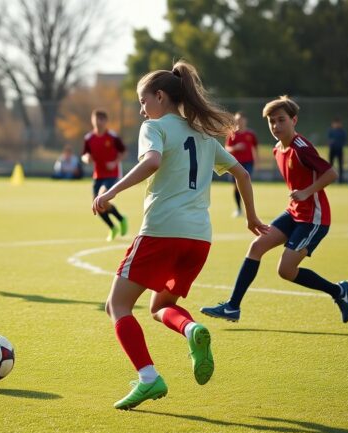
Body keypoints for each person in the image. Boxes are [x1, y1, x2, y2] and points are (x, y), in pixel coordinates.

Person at [92, 61, 267, 410]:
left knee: (118, 305)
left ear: (160, 96)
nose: (142, 109)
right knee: (160, 306)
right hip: (198, 239)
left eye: (144, 101)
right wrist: (251, 217)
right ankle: (191, 331)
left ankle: (148, 378)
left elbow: (153, 161)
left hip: (161, 231)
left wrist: (112, 191)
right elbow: (242, 175)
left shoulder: (153, 127)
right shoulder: (203, 134)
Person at [201, 96, 348, 324]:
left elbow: (331, 173)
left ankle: (338, 291)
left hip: (314, 219)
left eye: (281, 120)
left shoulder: (301, 147)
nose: (276, 126)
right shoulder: (277, 150)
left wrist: (306, 192)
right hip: (294, 213)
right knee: (256, 246)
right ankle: (232, 307)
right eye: (272, 121)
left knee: (286, 270)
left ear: (294, 120)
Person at [82, 110, 128, 241]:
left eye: (102, 119)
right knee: (97, 205)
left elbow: (123, 152)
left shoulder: (113, 137)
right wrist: (87, 159)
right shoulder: (89, 138)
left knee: (101, 198)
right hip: (98, 176)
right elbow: (85, 155)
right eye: (97, 119)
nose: (99, 122)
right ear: (92, 120)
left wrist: (115, 163)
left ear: (106, 121)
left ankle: (120, 220)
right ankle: (115, 225)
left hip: (112, 175)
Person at [225, 112, 258, 216]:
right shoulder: (232, 134)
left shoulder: (251, 134)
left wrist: (257, 161)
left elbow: (255, 148)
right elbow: (226, 149)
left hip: (249, 162)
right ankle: (239, 209)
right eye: (238, 119)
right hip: (235, 164)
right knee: (236, 186)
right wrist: (236, 148)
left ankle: (249, 209)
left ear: (245, 120)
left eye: (242, 119)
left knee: (245, 184)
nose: (240, 121)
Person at [327, 117, 347, 183]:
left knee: (340, 165)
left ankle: (341, 179)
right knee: (330, 165)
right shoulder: (331, 131)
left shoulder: (342, 131)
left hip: (339, 149)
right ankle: (330, 179)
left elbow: (344, 140)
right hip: (332, 149)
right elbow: (328, 140)